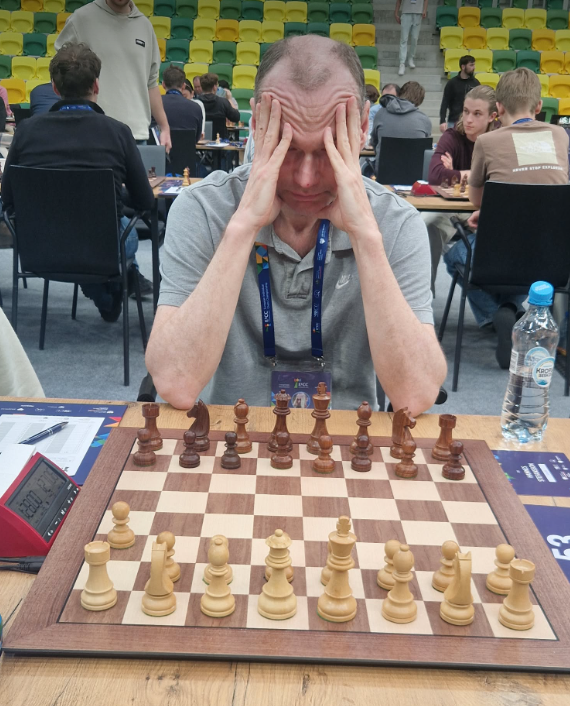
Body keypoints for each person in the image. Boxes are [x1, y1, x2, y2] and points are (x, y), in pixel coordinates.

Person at [146, 35, 447, 415]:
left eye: (326, 150)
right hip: (234, 435)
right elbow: (175, 382)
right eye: (287, 149)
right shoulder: (202, 208)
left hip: (347, 435)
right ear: (258, 124)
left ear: (362, 127)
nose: (306, 179)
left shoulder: (397, 222)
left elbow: (416, 395)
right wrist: (243, 227)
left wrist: (367, 238)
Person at [2, 43, 154, 322]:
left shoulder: (25, 131)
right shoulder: (118, 132)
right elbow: (145, 201)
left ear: (54, 87)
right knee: (121, 231)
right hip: (104, 249)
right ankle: (108, 285)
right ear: (96, 85)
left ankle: (101, 289)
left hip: (40, 249)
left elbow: (9, 197)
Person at [444, 68, 569, 367]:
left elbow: (477, 200)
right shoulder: (560, 136)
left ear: (498, 108)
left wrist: (489, 215)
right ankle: (514, 309)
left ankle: (500, 313)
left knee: (454, 254)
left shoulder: (487, 142)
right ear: (539, 106)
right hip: (551, 258)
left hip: (496, 257)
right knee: (527, 261)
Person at [55, 0, 171, 151]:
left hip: (136, 135)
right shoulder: (81, 19)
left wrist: (164, 127)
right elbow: (61, 71)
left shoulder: (145, 26)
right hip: (91, 133)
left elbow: (151, 82)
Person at [425, 85, 498, 290]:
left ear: (492, 116)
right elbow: (435, 175)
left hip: (483, 209)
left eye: (477, 114)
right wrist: (475, 176)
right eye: (466, 111)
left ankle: (499, 296)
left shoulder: (497, 141)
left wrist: (455, 174)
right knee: (425, 224)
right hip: (452, 208)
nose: (468, 119)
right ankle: (424, 295)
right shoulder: (452, 136)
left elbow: (498, 181)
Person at [370, 80, 431, 170]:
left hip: (384, 171)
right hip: (414, 172)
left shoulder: (380, 114)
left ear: (400, 95)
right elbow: (425, 149)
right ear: (420, 101)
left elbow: (374, 142)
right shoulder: (424, 120)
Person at [439, 56, 480, 133]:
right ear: (463, 67)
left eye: (474, 65)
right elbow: (445, 103)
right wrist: (442, 121)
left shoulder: (476, 83)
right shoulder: (452, 83)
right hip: (454, 121)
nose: (474, 67)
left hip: (471, 121)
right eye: (471, 65)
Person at [161, 66, 203, 140]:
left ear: (163, 85)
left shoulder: (154, 106)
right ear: (183, 86)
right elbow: (197, 137)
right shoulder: (196, 107)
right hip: (188, 147)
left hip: (161, 147)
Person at [395, 0, 428, 76]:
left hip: (418, 13)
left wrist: (424, 10)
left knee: (414, 38)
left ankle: (411, 58)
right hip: (406, 12)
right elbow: (399, 1)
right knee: (404, 39)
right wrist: (396, 13)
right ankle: (402, 63)